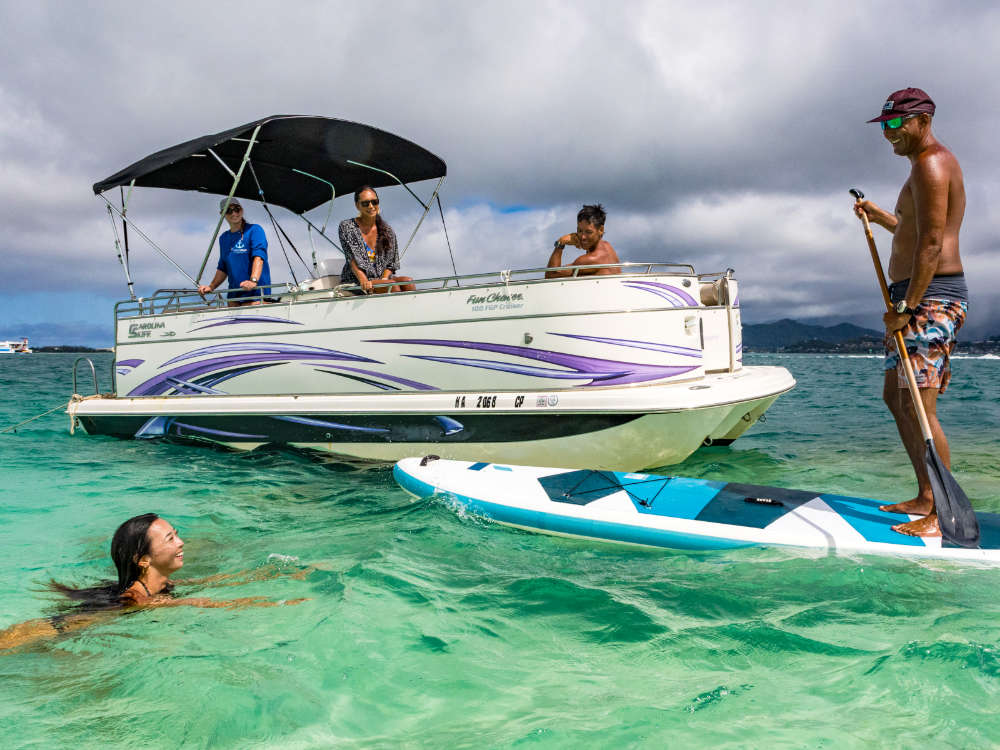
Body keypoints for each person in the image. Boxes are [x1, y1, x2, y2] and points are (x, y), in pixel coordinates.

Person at [854, 87, 969, 538]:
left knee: (922, 405)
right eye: (885, 125)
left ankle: (943, 515)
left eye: (897, 124)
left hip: (930, 297)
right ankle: (926, 494)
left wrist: (907, 306)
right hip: (912, 297)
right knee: (896, 397)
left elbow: (933, 243)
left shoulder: (932, 164)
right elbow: (912, 228)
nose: (889, 134)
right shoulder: (918, 170)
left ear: (923, 120)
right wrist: (879, 216)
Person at [0, 513, 305, 651]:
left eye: (176, 533)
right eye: (171, 538)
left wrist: (278, 571)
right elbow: (212, 603)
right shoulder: (144, 599)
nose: (181, 542)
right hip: (52, 632)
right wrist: (284, 603)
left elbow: (216, 582)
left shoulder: (159, 585)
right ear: (143, 560)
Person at [339, 186, 415, 294]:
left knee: (408, 282)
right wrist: (363, 280)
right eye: (365, 203)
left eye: (374, 202)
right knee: (391, 287)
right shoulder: (347, 227)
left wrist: (384, 279)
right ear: (357, 206)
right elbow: (351, 259)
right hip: (356, 281)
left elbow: (392, 264)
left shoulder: (388, 231)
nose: (371, 206)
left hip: (383, 279)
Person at [198, 198, 272, 306]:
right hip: (234, 297)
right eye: (228, 211)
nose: (234, 213)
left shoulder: (255, 230)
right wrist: (211, 286)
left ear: (241, 210)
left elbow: (259, 257)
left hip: (256, 293)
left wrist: (253, 281)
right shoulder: (223, 238)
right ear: (222, 214)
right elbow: (223, 267)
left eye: (237, 209)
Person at [545, 203, 621, 278]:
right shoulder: (607, 246)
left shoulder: (591, 259)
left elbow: (551, 275)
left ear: (601, 230)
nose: (583, 237)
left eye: (588, 232)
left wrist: (560, 243)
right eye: (580, 231)